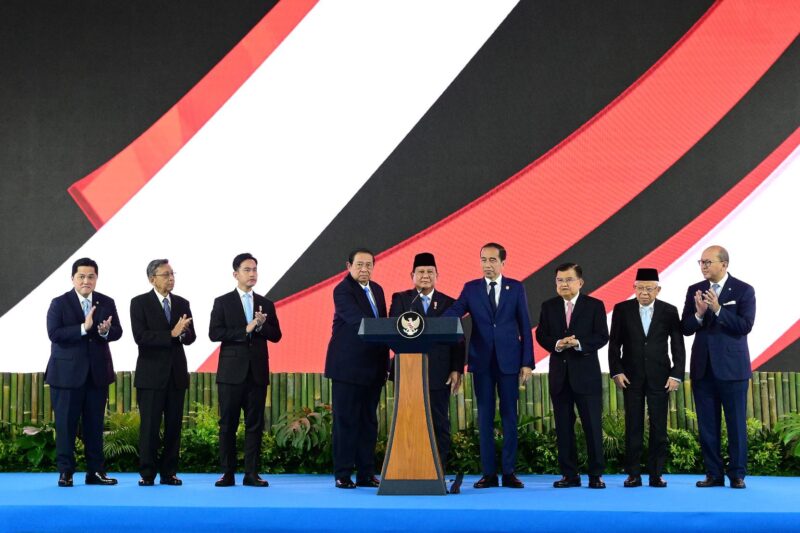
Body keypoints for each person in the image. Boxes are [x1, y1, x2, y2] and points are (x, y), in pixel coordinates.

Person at [444, 243, 533, 489]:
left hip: (510, 362)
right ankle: (489, 474)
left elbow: (525, 326)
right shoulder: (470, 288)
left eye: (492, 260)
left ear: (503, 263)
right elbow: (455, 311)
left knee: (509, 416)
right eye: (483, 260)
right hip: (481, 362)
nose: (487, 265)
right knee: (484, 417)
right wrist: (430, 323)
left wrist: (527, 362)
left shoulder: (516, 287)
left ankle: (509, 473)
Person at [681, 245, 755, 489]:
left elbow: (745, 326)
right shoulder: (695, 290)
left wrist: (718, 310)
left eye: (708, 262)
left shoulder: (744, 290)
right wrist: (700, 314)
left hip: (733, 370)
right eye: (701, 262)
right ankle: (713, 474)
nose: (703, 266)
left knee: (736, 424)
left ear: (724, 264)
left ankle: (737, 475)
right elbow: (685, 328)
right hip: (703, 369)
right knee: (707, 426)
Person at [45, 257, 122, 487]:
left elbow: (117, 331)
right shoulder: (59, 303)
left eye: (91, 276)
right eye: (81, 276)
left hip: (97, 374)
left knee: (95, 426)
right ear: (72, 278)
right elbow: (54, 334)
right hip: (66, 376)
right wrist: (83, 328)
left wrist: (105, 331)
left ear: (96, 278)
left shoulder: (106, 302)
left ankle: (95, 472)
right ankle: (66, 472)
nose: (86, 281)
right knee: (65, 426)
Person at [209, 253, 282, 487]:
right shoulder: (222, 302)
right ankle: (227, 473)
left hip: (257, 373)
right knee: (227, 425)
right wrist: (245, 329)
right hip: (231, 374)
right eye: (247, 270)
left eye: (255, 270)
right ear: (235, 274)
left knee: (255, 425)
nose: (252, 274)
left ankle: (251, 473)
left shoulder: (266, 303)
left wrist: (260, 327)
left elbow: (277, 335)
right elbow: (214, 333)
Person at [608, 268, 685, 488]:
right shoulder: (622, 309)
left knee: (659, 427)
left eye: (649, 288)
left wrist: (676, 374)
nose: (644, 292)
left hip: (661, 377)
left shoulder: (669, 311)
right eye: (640, 288)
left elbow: (677, 345)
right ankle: (633, 474)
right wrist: (617, 371)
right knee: (633, 425)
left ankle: (656, 474)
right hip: (630, 377)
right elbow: (614, 344)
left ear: (658, 290)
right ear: (634, 288)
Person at [536, 262, 609, 489]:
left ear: (580, 282)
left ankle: (596, 475)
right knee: (564, 428)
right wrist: (558, 343)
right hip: (560, 377)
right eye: (560, 280)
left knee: (592, 427)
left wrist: (579, 343)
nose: (564, 284)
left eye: (568, 279)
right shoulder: (548, 306)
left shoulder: (594, 305)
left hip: (586, 377)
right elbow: (541, 335)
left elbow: (602, 336)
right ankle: (569, 475)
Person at [389, 252, 465, 470]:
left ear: (437, 275)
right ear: (412, 275)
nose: (425, 276)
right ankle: (409, 468)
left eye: (430, 272)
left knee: (439, 421)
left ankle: (438, 469)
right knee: (408, 421)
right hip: (408, 370)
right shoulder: (401, 299)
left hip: (439, 371)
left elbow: (459, 339)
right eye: (420, 272)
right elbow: (392, 331)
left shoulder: (449, 303)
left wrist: (456, 369)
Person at [324, 248, 389, 489]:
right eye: (359, 264)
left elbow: (383, 326)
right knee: (346, 422)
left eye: (369, 264)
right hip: (347, 368)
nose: (364, 269)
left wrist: (387, 362)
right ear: (348, 266)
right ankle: (342, 474)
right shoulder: (342, 290)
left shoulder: (378, 289)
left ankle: (366, 473)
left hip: (373, 367)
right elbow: (359, 322)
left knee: (368, 423)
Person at [130, 259, 196, 487]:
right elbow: (141, 336)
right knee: (149, 427)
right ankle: (147, 473)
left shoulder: (182, 303)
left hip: (176, 374)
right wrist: (171, 334)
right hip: (150, 376)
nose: (171, 278)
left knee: (174, 427)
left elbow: (191, 337)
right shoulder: (139, 303)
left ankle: (169, 472)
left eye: (172, 274)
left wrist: (183, 333)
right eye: (165, 274)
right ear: (152, 279)